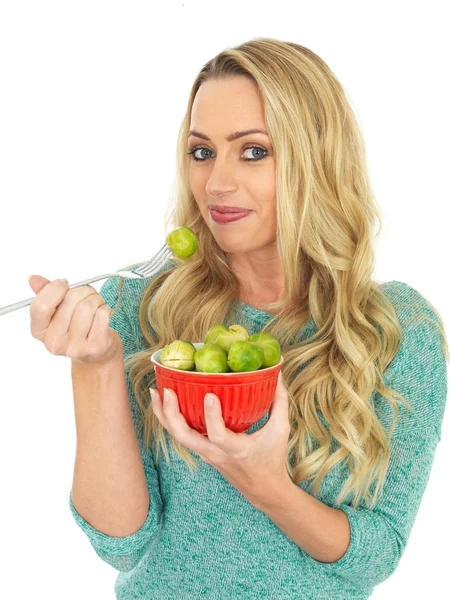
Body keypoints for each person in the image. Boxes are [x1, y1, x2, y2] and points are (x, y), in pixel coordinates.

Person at [28, 38, 449, 599]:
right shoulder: (144, 305)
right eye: (203, 152)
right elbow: (120, 543)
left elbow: (375, 556)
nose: (217, 184)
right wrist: (95, 365)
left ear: (315, 158)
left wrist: (265, 483)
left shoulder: (394, 329)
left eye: (253, 151)